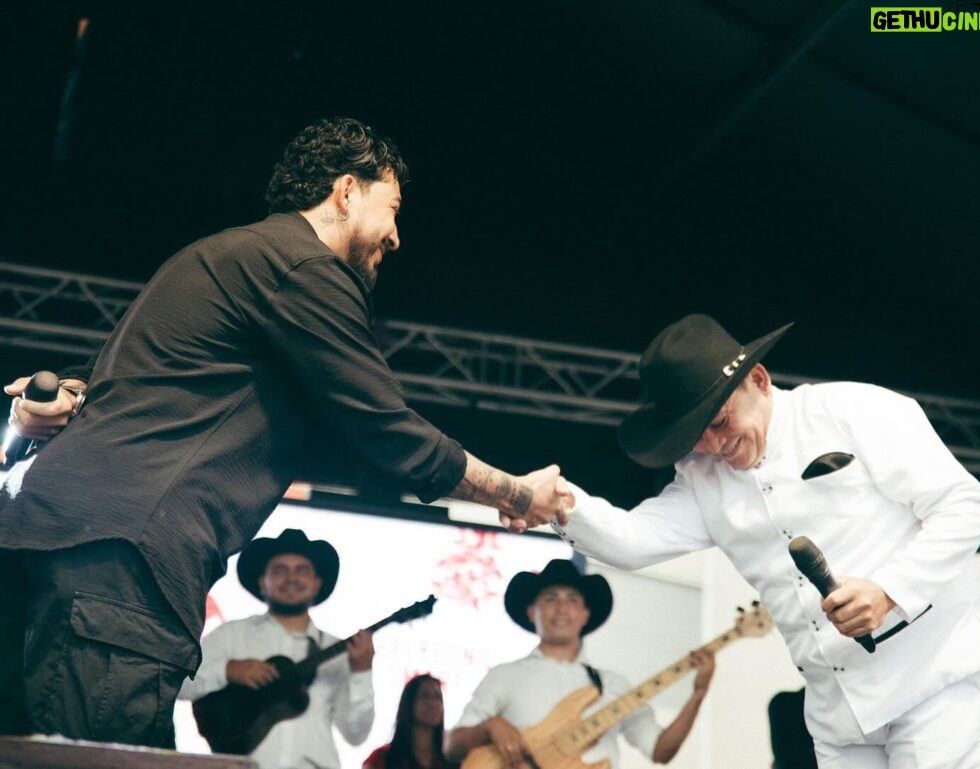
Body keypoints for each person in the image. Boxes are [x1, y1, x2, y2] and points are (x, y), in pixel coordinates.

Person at [0, 116, 569, 746]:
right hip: (122, 564)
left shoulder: (219, 256)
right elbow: (387, 430)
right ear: (346, 191)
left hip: (37, 542)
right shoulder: (303, 266)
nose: (397, 236)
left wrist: (70, 394)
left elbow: (121, 385)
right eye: (393, 208)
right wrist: (517, 494)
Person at [516, 314, 980, 769]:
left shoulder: (851, 409)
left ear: (758, 379)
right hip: (838, 714)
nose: (713, 445)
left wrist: (888, 589)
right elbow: (632, 539)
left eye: (719, 422)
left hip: (936, 680)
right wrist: (561, 502)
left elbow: (966, 506)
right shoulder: (701, 478)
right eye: (695, 435)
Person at [445, 559, 715, 769]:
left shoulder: (613, 685)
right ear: (531, 611)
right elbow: (451, 746)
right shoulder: (503, 676)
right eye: (551, 598)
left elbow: (660, 749)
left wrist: (698, 694)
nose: (562, 608)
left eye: (573, 599)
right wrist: (489, 727)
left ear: (586, 614)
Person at [179, 529, 374, 769]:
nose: (291, 578)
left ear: (316, 584)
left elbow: (356, 734)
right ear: (263, 582)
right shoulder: (232, 635)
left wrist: (362, 671)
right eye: (280, 570)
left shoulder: (338, 650)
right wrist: (227, 670)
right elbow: (178, 684)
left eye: (302, 570)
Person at [363, 674, 454, 769]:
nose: (432, 703)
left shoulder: (451, 758)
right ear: (409, 704)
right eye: (424, 696)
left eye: (437, 697)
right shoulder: (381, 758)